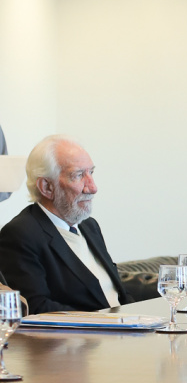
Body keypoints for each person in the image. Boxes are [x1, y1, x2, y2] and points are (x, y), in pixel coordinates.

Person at [0, 135, 133, 314]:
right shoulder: (21, 234)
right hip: (86, 331)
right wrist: (106, 322)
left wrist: (139, 318)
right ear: (47, 187)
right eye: (78, 175)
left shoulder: (89, 226)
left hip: (123, 326)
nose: (93, 187)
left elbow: (117, 293)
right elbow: (36, 307)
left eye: (91, 173)